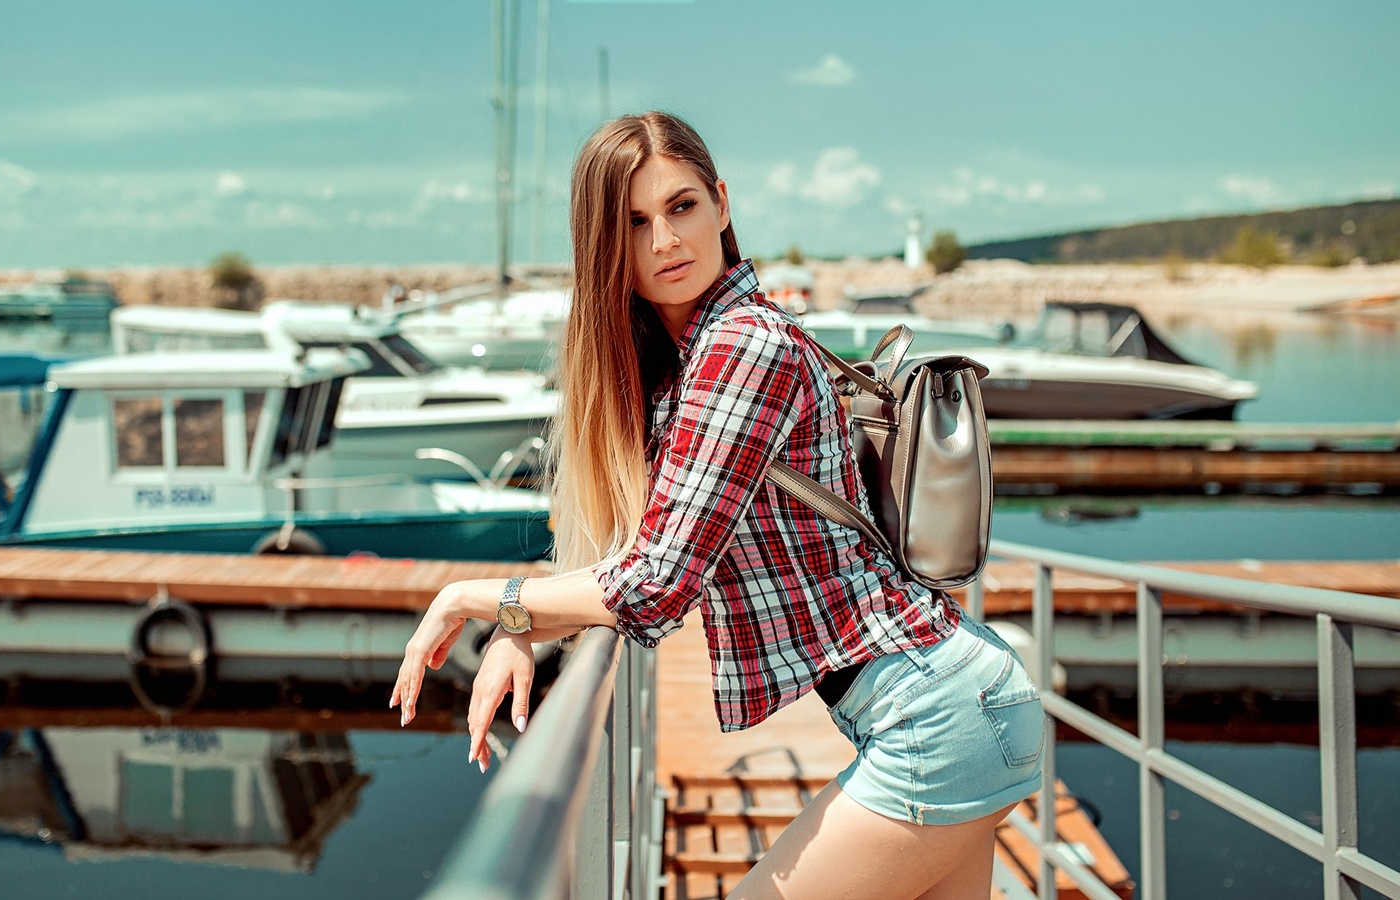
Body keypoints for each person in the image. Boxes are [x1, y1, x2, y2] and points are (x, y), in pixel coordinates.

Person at [391, 111, 1044, 899]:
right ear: (604, 246)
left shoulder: (743, 346)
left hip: (934, 720)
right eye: (634, 223)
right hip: (954, 704)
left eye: (681, 207)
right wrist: (526, 629)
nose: (665, 241)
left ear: (722, 204)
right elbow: (660, 559)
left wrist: (485, 600)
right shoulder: (695, 360)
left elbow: (660, 582)